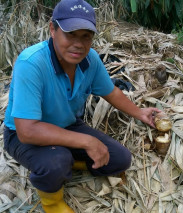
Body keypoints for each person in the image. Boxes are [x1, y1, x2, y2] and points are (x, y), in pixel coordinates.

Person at [3, 0, 160, 212]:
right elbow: (27, 131)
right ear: (53, 29)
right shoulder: (31, 63)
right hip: (24, 135)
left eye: (86, 36)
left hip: (67, 125)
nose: (79, 44)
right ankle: (52, 202)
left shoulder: (91, 60)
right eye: (70, 34)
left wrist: (140, 113)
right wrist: (86, 141)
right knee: (55, 162)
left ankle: (71, 162)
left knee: (120, 159)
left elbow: (111, 92)